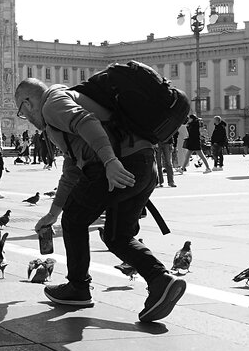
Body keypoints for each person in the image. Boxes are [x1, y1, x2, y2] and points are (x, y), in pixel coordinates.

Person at [16, 76, 186, 323]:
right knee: (117, 235)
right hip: (143, 164)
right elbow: (73, 170)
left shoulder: (52, 104)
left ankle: (78, 288)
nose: (26, 119)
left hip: (117, 166)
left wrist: (109, 161)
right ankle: (161, 281)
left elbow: (87, 122)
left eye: (22, 111)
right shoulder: (64, 107)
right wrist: (53, 213)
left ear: (28, 102)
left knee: (75, 219)